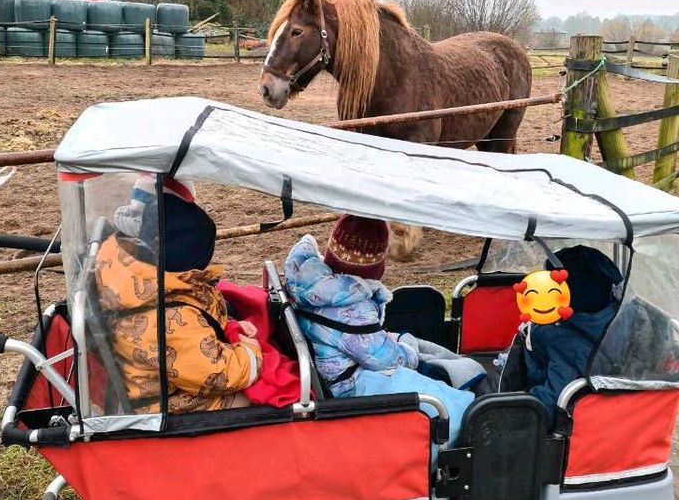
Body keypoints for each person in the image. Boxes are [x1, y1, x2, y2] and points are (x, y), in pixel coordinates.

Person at [284, 215, 474, 445]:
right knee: (451, 405)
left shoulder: (307, 282)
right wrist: (409, 351)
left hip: (331, 368)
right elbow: (386, 360)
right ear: (374, 270)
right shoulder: (353, 311)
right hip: (349, 386)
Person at [95, 176, 262, 413]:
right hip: (162, 404)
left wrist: (227, 323)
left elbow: (193, 302)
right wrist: (251, 352)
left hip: (151, 377)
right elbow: (219, 374)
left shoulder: (125, 262)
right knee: (253, 403)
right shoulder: (169, 319)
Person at [500, 245, 622, 424]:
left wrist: (515, 406)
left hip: (567, 421)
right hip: (626, 420)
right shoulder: (627, 320)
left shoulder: (564, 340)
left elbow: (552, 404)